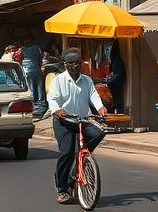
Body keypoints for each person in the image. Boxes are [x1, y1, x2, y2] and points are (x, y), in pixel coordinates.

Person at [47, 48, 107, 205]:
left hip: (82, 119)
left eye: (78, 63)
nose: (76, 66)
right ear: (65, 65)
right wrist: (58, 111)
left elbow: (94, 95)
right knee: (66, 153)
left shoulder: (86, 80)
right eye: (72, 63)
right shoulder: (58, 81)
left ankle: (82, 158)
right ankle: (62, 188)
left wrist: (100, 108)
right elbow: (52, 100)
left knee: (99, 133)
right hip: (64, 122)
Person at [19, 34, 46, 117]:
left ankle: (33, 103)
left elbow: (20, 59)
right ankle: (39, 104)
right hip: (35, 69)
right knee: (38, 87)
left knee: (31, 87)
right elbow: (40, 58)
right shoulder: (36, 48)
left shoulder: (22, 49)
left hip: (26, 70)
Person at [97, 42, 126, 112]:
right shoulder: (116, 61)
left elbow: (118, 75)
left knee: (117, 102)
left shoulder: (117, 62)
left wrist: (109, 82)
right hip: (116, 87)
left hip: (117, 87)